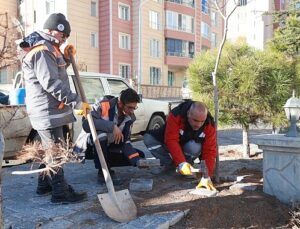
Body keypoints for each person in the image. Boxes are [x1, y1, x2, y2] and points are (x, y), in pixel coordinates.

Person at [18, 13, 89, 203]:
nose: (64, 39)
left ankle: (45, 185)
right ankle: (60, 193)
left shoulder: (49, 48)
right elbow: (50, 82)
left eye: (66, 37)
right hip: (48, 111)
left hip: (49, 110)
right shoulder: (42, 50)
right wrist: (76, 101)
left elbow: (54, 72)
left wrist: (65, 58)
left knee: (47, 150)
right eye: (63, 35)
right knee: (56, 152)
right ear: (52, 31)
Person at [74, 88, 145, 183]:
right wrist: (112, 127)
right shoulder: (103, 104)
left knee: (140, 156)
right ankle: (103, 172)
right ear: (120, 103)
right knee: (101, 135)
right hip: (91, 147)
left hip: (109, 146)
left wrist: (136, 160)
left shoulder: (130, 118)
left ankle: (106, 162)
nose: (132, 111)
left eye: (134, 108)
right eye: (129, 107)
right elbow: (86, 124)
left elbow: (126, 141)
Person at [143, 100, 217, 190]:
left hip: (187, 146)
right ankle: (170, 166)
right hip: (168, 142)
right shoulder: (176, 114)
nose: (198, 125)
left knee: (194, 147)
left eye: (202, 121)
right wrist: (181, 162)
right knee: (148, 139)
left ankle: (187, 166)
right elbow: (171, 140)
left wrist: (207, 176)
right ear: (188, 113)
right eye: (195, 120)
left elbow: (210, 151)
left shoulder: (209, 123)